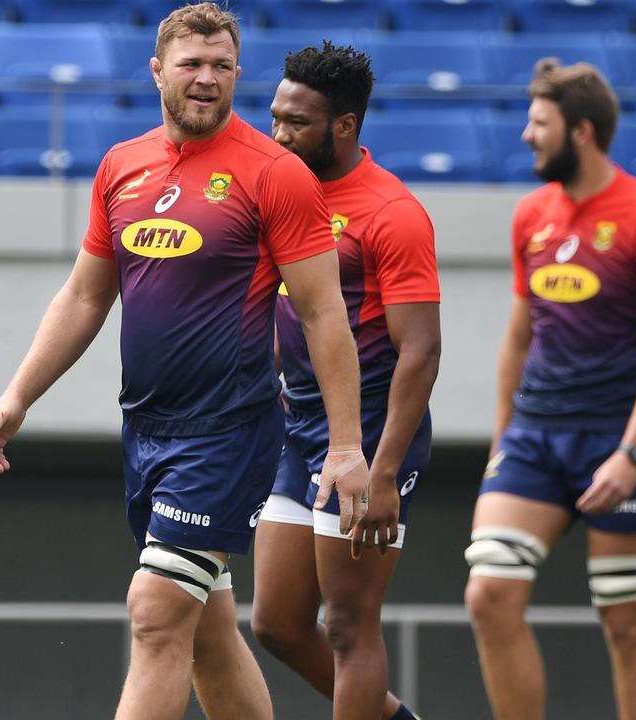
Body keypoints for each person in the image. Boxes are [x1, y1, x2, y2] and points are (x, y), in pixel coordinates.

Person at [0, 5, 369, 719]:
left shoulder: (275, 174)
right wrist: (17, 395)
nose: (207, 79)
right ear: (158, 71)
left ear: (238, 74)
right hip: (147, 428)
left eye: (221, 66)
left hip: (229, 430)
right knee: (206, 636)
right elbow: (87, 296)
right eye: (191, 64)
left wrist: (344, 445)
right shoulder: (122, 165)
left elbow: (321, 312)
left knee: (154, 610)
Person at [462, 58, 636, 720]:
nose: (527, 136)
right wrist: (502, 439)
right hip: (533, 436)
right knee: (488, 596)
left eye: (539, 123)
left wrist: (633, 453)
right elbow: (517, 337)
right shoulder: (530, 214)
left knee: (625, 620)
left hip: (616, 438)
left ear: (582, 131)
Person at [251, 41, 439, 720]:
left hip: (369, 437)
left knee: (348, 626)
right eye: (274, 117)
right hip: (298, 428)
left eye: (295, 122)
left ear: (345, 126)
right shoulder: (282, 193)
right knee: (274, 622)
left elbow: (420, 351)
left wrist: (383, 469)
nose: (278, 134)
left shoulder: (393, 213)